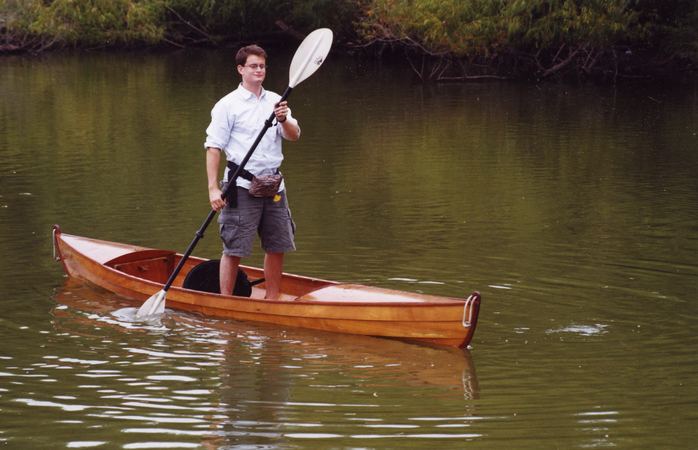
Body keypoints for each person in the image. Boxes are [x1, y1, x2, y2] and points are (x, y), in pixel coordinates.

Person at [204, 44, 301, 300]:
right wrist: (213, 188)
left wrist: (283, 119)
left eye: (262, 66)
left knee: (277, 245)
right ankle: (225, 301)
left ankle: (272, 300)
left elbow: (294, 135)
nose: (259, 70)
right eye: (253, 66)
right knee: (234, 248)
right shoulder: (227, 105)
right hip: (241, 186)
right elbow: (213, 147)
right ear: (241, 69)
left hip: (274, 184)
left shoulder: (276, 102)